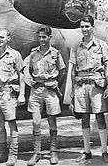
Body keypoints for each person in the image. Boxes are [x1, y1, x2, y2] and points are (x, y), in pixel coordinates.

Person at [69, 15, 108, 164]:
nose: (85, 29)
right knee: (84, 119)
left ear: (93, 27)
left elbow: (107, 66)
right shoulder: (76, 46)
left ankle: (104, 151)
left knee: (100, 117)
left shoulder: (101, 45)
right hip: (81, 86)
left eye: (87, 26)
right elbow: (73, 70)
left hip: (96, 85)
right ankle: (87, 152)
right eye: (82, 27)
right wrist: (72, 93)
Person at [24, 25, 65, 165]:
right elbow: (29, 69)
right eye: (39, 37)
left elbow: (63, 71)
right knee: (36, 122)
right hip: (36, 91)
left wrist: (55, 83)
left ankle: (53, 152)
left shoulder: (55, 53)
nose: (41, 40)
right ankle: (37, 153)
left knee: (52, 123)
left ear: (49, 37)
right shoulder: (33, 54)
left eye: (44, 37)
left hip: (50, 91)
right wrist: (32, 82)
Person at [0, 28, 25, 166]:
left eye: (2, 37)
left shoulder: (15, 55)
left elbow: (22, 75)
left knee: (11, 124)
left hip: (9, 93)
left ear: (9, 38)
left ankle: (13, 156)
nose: (0, 39)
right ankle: (2, 154)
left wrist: (21, 94)